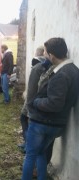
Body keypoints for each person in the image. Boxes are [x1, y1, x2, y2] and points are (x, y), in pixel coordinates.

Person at [22, 37, 79, 180]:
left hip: (43, 122)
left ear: (52, 56)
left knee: (30, 155)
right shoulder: (74, 70)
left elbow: (55, 103)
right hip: (58, 124)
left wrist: (36, 102)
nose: (45, 56)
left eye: (46, 53)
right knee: (41, 153)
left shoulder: (62, 74)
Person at [18, 46, 48, 153]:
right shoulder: (46, 65)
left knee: (24, 118)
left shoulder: (37, 63)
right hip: (35, 99)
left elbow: (33, 85)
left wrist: (29, 100)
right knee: (25, 119)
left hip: (33, 99)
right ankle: (27, 143)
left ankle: (28, 144)